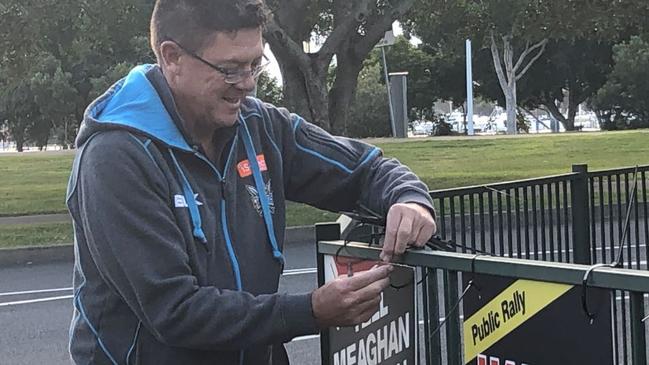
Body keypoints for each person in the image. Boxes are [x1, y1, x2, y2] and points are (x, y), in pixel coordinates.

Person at [66, 0, 437, 364]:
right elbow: (175, 310)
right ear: (172, 58)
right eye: (229, 69)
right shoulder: (116, 157)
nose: (246, 85)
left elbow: (364, 169)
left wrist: (408, 198)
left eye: (254, 65)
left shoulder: (260, 126)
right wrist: (310, 311)